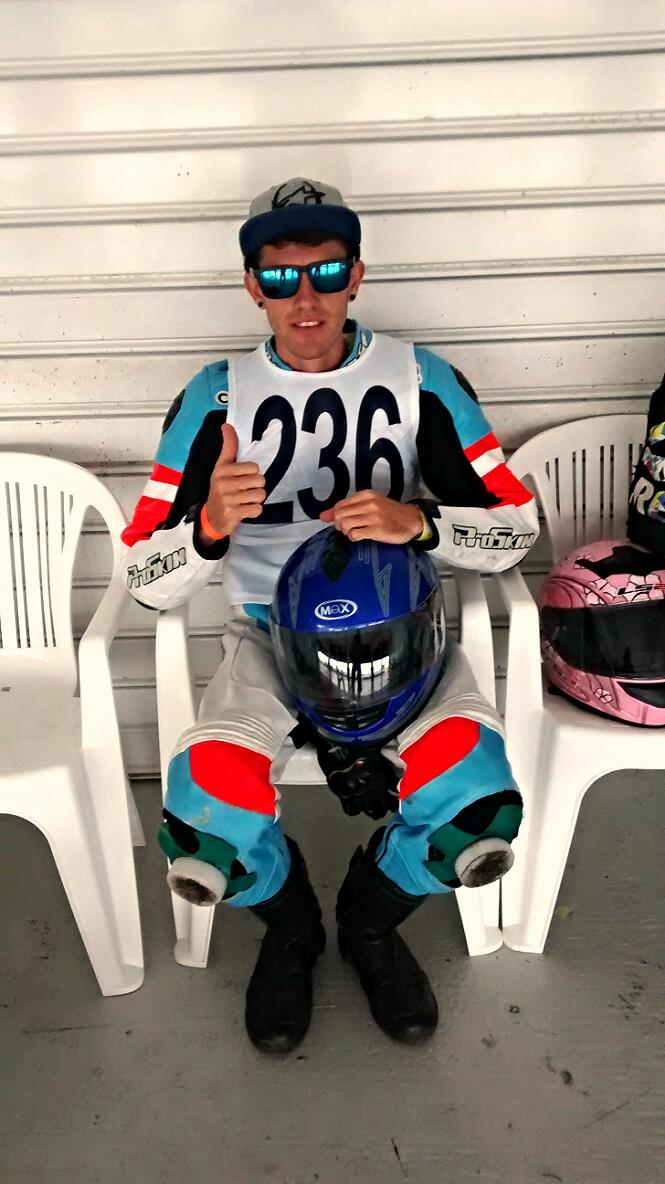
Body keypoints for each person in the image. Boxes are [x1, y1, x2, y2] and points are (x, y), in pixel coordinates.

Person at [121, 177, 539, 1053]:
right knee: (202, 820)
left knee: (478, 809)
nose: (304, 298)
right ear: (251, 285)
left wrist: (418, 522)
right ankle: (292, 926)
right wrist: (208, 527)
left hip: (403, 632)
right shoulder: (215, 397)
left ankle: (369, 919)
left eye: (326, 271)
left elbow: (515, 529)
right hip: (268, 637)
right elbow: (144, 581)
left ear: (357, 275)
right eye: (280, 277)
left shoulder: (420, 379)